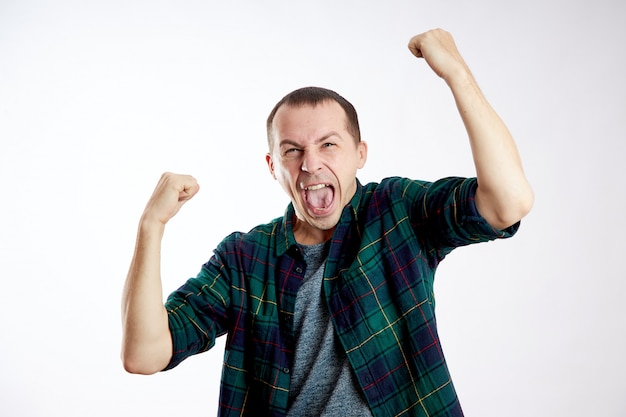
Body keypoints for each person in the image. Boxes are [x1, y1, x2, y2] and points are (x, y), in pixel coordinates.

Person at [121, 28, 533, 417]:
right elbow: (144, 354)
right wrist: (150, 225)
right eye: (292, 151)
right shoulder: (244, 259)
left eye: (328, 145)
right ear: (273, 167)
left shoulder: (396, 212)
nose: (311, 164)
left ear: (360, 153)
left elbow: (508, 203)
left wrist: (456, 73)